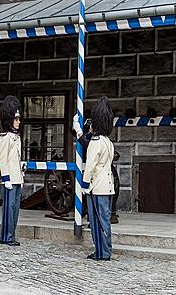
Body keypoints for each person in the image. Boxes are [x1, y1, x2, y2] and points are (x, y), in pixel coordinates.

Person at [75, 96, 114, 261]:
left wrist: (84, 184)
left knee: (97, 221)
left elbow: (90, 165)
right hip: (107, 185)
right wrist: (79, 132)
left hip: (96, 186)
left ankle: (102, 252)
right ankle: (104, 250)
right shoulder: (107, 142)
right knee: (103, 220)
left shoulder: (96, 142)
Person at [0, 96, 23, 246]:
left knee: (14, 209)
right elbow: (3, 159)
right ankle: (6, 237)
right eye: (16, 119)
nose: (18, 121)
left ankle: (11, 235)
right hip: (9, 179)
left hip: (17, 178)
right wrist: (6, 178)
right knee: (8, 209)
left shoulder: (16, 137)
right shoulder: (5, 138)